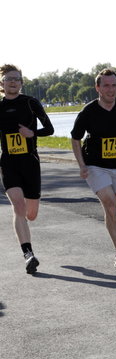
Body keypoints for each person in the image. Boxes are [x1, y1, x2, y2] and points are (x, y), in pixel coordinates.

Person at [71, 69, 116, 269]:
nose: (111, 90)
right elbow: (75, 138)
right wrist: (82, 165)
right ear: (98, 88)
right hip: (95, 165)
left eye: (114, 85)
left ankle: (114, 213)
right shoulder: (88, 112)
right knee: (110, 204)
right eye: (106, 86)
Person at [0, 64, 54, 274]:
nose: (13, 82)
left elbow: (49, 129)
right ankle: (28, 254)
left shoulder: (31, 103)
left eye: (16, 79)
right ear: (2, 84)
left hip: (30, 162)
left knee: (31, 214)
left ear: (21, 83)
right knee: (18, 208)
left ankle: (28, 246)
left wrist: (33, 133)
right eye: (8, 79)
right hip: (9, 162)